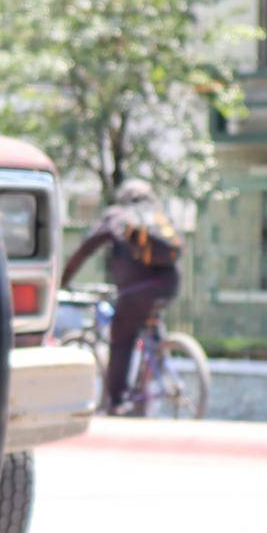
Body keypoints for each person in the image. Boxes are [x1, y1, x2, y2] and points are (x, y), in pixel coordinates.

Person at [61, 178, 184, 415]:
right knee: (151, 325)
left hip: (137, 289)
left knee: (122, 338)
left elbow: (87, 247)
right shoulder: (160, 214)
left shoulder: (117, 215)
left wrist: (64, 278)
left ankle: (117, 401)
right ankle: (151, 380)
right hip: (170, 285)